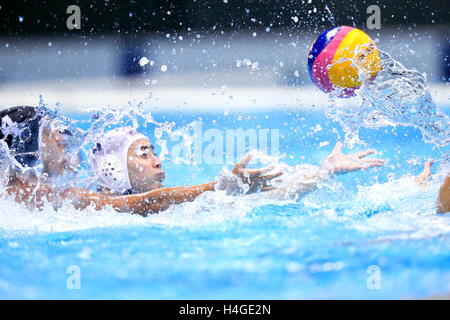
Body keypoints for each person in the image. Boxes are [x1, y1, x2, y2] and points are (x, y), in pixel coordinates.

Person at [1, 106, 385, 216]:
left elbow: (263, 200)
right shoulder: (26, 196)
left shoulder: (55, 195)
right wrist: (215, 185)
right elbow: (137, 203)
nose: (65, 142)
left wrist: (322, 173)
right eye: (54, 135)